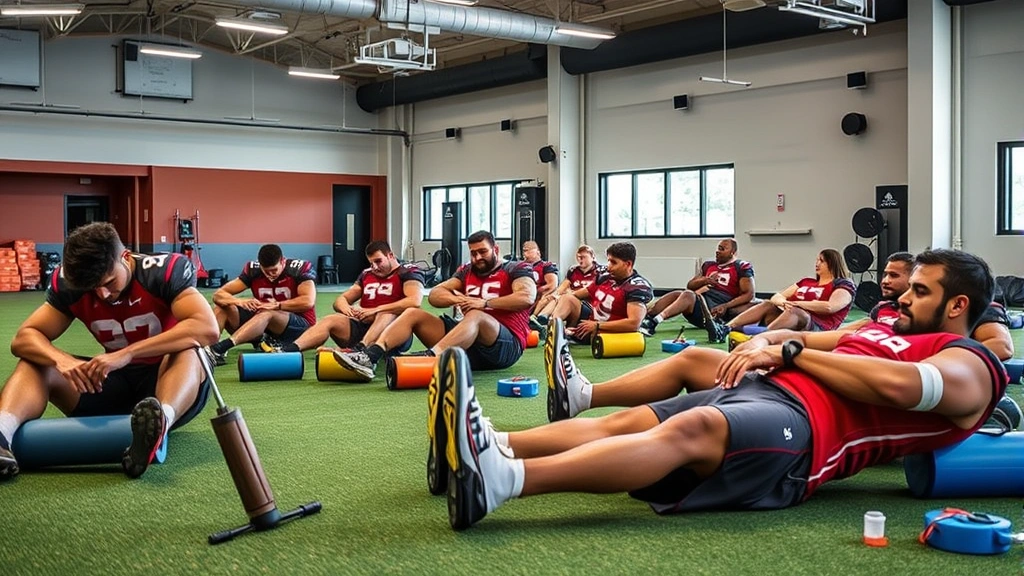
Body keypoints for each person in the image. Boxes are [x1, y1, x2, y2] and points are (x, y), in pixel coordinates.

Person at [430, 249, 1007, 530]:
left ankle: (502, 482)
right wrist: (766, 346)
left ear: (958, 305)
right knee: (633, 421)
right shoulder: (886, 327)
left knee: (694, 428)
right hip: (772, 391)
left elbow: (903, 387)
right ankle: (493, 443)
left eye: (920, 291)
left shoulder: (972, 362)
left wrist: (791, 350)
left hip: (807, 441)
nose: (902, 296)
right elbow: (835, 344)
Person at [0, 222, 218, 481]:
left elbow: (207, 328)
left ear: (125, 257)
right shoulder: (72, 284)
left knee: (191, 349)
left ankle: (158, 425)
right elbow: (24, 338)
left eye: (109, 282)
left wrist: (128, 353)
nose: (102, 294)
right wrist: (62, 361)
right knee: (35, 362)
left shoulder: (161, 272)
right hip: (113, 382)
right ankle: (2, 435)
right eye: (92, 288)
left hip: (167, 382)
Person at [330, 230, 536, 380]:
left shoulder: (515, 268)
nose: (477, 257)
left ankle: (431, 358)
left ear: (496, 249)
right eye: (473, 253)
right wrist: (458, 299)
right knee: (412, 313)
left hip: (505, 346)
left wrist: (484, 303)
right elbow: (435, 295)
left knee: (476, 315)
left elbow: (526, 297)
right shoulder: (467, 271)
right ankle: (370, 357)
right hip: (467, 342)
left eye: (482, 251)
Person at [265, 241, 424, 369]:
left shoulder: (407, 272)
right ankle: (289, 351)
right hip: (363, 326)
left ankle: (362, 350)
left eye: (378, 261)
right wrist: (348, 309)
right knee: (330, 319)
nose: (374, 267)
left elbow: (414, 301)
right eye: (371, 263)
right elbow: (340, 300)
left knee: (387, 313)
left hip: (393, 332)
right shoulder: (367, 274)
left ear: (390, 255)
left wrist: (375, 310)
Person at [847, 252, 1014, 361]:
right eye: (885, 275)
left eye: (894, 275)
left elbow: (1002, 346)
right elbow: (853, 331)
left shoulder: (976, 309)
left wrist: (920, 361)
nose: (885, 281)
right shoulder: (887, 308)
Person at [206, 244, 317, 365]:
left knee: (268, 313)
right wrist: (240, 301)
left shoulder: (297, 270)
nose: (270, 274)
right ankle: (208, 350)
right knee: (223, 306)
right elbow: (218, 295)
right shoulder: (254, 271)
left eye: (274, 270)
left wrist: (277, 305)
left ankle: (221, 347)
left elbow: (308, 301)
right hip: (263, 326)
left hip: (299, 326)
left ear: (282, 261)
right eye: (266, 271)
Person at [639, 239, 755, 343]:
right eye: (718, 248)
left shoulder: (740, 267)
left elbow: (749, 294)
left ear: (732, 252)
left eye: (722, 249)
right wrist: (705, 280)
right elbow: (690, 285)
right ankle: (645, 319)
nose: (717, 251)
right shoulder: (709, 266)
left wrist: (726, 305)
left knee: (688, 295)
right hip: (702, 302)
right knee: (678, 293)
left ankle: (655, 322)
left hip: (718, 307)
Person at [716, 248, 855, 336]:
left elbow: (830, 307)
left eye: (822, 261)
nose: (817, 264)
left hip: (819, 327)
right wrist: (783, 302)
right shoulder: (807, 281)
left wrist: (798, 304)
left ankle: (762, 336)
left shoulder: (843, 283)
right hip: (790, 317)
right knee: (768, 304)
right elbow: (778, 296)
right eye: (817, 260)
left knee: (796, 311)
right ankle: (725, 329)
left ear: (832, 264)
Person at [545, 242, 653, 342]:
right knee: (567, 298)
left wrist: (597, 325)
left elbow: (634, 323)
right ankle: (554, 329)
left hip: (610, 331)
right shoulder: (604, 277)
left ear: (628, 264)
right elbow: (577, 295)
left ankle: (566, 334)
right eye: (608, 261)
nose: (609, 266)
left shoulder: (636, 287)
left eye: (614, 262)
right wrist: (556, 299)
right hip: (592, 322)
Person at [522, 241, 559, 320]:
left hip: (539, 297)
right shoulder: (521, 267)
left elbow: (552, 285)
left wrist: (538, 290)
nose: (525, 254)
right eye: (524, 251)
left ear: (537, 252)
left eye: (528, 250)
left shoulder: (546, 266)